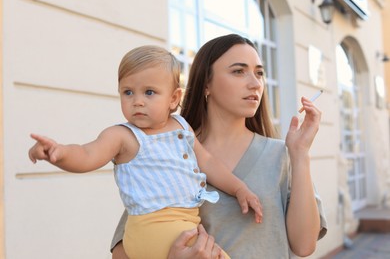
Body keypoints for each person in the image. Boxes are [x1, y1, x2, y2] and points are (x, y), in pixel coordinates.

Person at [28, 45, 263, 259]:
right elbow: (87, 155)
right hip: (151, 228)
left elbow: (208, 163)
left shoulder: (182, 127)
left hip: (184, 224)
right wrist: (58, 153)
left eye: (149, 92)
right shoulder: (122, 136)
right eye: (128, 92)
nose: (137, 101)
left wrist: (239, 188)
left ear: (173, 98)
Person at [111, 34, 327, 259]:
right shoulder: (166, 150)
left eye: (259, 73)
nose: (255, 83)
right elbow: (124, 249)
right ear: (206, 83)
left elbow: (304, 246)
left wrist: (300, 155)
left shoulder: (282, 155)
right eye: (238, 71)